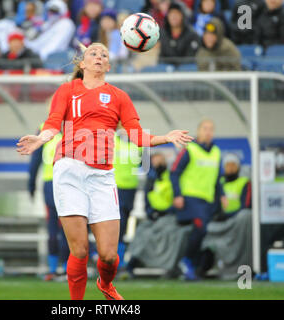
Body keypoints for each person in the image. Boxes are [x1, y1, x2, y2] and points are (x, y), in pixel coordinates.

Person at [16, 42, 193, 300]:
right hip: (69, 170)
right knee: (79, 250)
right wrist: (40, 139)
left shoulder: (120, 97)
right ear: (83, 63)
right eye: (93, 53)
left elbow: (136, 136)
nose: (99, 56)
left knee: (109, 255)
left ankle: (106, 284)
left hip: (102, 176)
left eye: (104, 54)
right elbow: (54, 123)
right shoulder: (67, 90)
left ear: (108, 65)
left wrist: (166, 137)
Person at [170, 118, 226, 280]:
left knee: (202, 232)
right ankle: (186, 261)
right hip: (190, 198)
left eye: (211, 129)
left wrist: (221, 194)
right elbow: (175, 172)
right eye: (205, 128)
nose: (208, 132)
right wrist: (177, 195)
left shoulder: (216, 152)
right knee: (200, 228)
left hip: (207, 200)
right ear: (199, 131)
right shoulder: (190, 149)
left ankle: (191, 266)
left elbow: (217, 178)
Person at [28, 121, 69, 281]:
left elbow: (35, 159)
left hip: (52, 184)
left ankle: (55, 269)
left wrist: (31, 184)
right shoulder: (76, 124)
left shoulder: (44, 127)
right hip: (64, 184)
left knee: (56, 228)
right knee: (65, 227)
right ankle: (64, 268)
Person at [113, 126, 143, 269]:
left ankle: (119, 261)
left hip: (130, 190)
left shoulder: (138, 144)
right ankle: (113, 261)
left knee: (123, 227)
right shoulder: (111, 140)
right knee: (115, 226)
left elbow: (144, 164)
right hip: (113, 188)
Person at [159, 1, 200, 66]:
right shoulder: (161, 35)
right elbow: (159, 59)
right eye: (171, 13)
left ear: (183, 16)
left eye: (177, 13)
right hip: (165, 73)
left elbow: (190, 60)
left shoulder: (193, 36)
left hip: (185, 73)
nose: (174, 16)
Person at [216, 153, 251, 220]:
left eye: (233, 165)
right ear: (224, 167)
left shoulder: (244, 182)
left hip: (238, 219)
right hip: (220, 219)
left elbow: (246, 206)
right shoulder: (219, 182)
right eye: (228, 165)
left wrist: (230, 215)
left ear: (238, 167)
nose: (230, 168)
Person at [145, 152, 173, 221]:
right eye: (154, 163)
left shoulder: (170, 178)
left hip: (167, 213)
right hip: (153, 212)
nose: (156, 165)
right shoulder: (151, 180)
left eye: (159, 162)